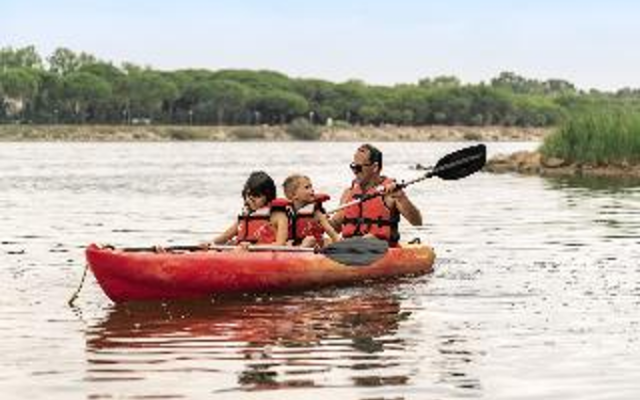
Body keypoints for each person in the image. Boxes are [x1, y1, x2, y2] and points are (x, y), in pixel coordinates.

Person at [330, 144, 422, 246]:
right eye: (353, 166)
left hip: (381, 249)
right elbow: (335, 227)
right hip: (350, 247)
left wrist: (401, 197)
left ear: (375, 167)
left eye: (358, 167)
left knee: (368, 239)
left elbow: (417, 222)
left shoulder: (391, 193)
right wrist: (318, 218)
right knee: (313, 240)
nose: (355, 172)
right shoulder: (348, 193)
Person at [212, 171, 288, 247]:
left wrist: (252, 247)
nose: (251, 200)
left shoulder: (279, 216)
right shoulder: (246, 216)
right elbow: (224, 237)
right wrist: (209, 243)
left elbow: (280, 244)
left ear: (268, 196)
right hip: (242, 253)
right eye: (249, 196)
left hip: (265, 255)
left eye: (257, 196)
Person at [282, 174, 341, 247]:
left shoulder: (315, 212)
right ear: (294, 195)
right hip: (294, 244)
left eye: (311, 186)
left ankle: (301, 249)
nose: (312, 190)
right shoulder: (286, 212)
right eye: (307, 187)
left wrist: (339, 243)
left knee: (311, 240)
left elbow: (330, 230)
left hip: (314, 244)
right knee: (287, 242)